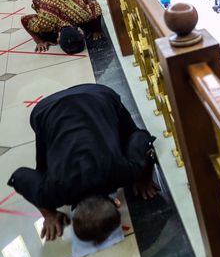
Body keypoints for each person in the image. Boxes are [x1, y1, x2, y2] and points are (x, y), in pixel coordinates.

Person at [7, 84, 157, 243]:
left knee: (129, 136)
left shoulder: (122, 172)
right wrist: (48, 212)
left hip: (92, 98)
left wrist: (142, 175)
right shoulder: (53, 192)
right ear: (116, 202)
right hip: (57, 106)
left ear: (115, 202)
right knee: (44, 168)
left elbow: (140, 138)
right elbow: (19, 176)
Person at [21, 0, 103, 53]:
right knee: (47, 35)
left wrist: (97, 29)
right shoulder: (45, 22)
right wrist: (39, 41)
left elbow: (95, 5)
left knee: (88, 22)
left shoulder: (82, 15)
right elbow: (24, 20)